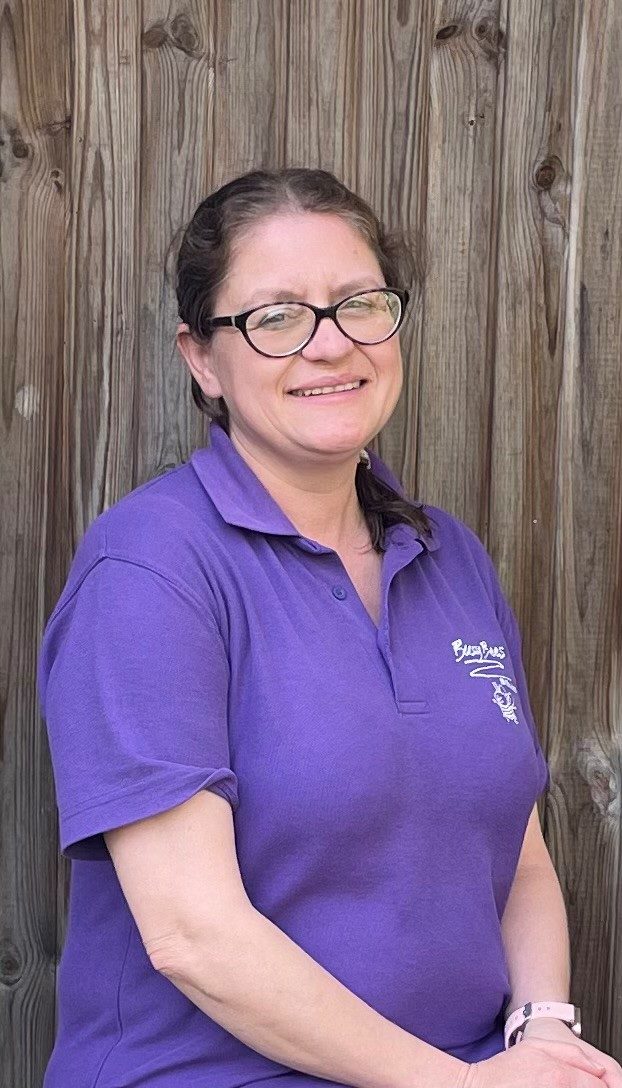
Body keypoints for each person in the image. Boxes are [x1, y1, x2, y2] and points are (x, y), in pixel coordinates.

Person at [37, 168, 621, 1088]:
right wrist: (461, 1087)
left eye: (360, 304)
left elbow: (517, 852)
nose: (330, 344)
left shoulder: (451, 559)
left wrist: (543, 1029)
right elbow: (194, 935)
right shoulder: (150, 571)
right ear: (202, 358)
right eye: (276, 317)